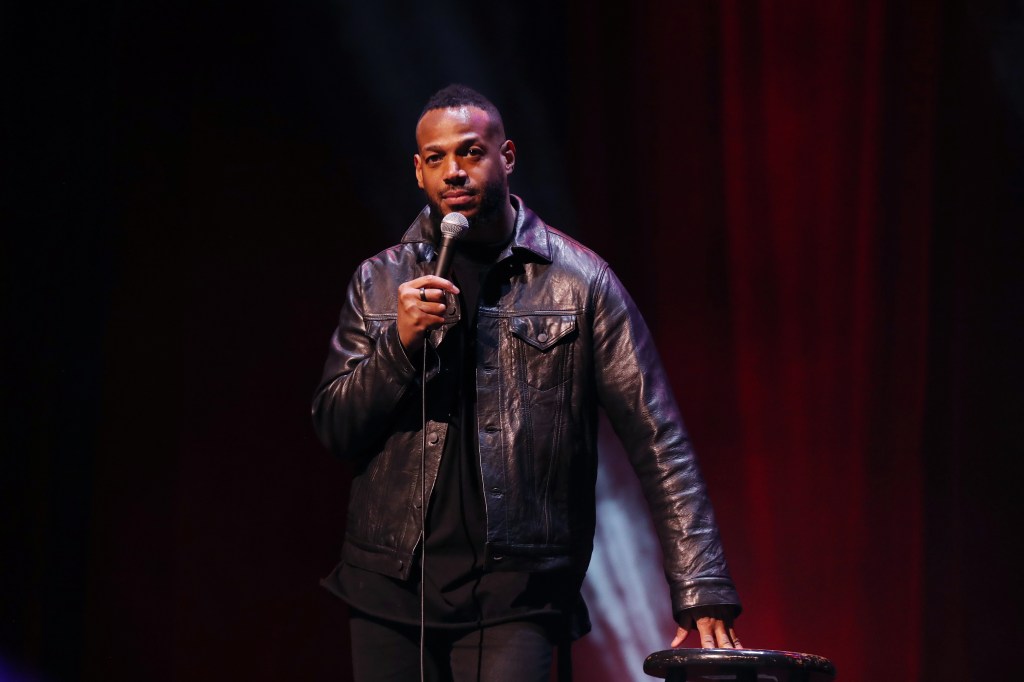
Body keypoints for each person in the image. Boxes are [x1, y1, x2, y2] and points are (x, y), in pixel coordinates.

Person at [312, 84, 741, 681]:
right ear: (418, 171)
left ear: (506, 156)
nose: (453, 171)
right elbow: (335, 426)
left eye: (470, 152)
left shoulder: (580, 281)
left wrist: (702, 584)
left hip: (517, 590)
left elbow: (657, 435)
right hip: (390, 586)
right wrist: (398, 345)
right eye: (435, 158)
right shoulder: (380, 282)